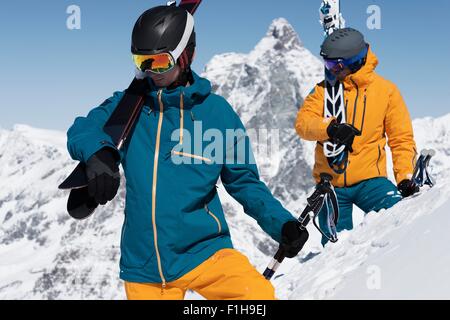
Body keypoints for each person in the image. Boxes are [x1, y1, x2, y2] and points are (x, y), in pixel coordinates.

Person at [67, 4, 308, 300]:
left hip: (206, 254)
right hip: (144, 266)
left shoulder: (216, 114)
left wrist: (280, 223)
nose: (149, 72)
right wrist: (98, 153)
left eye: (159, 62)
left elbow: (244, 182)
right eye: (141, 61)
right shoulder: (129, 107)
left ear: (186, 55)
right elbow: (82, 129)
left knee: (258, 298)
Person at [295, 28, 418, 245]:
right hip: (330, 185)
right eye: (327, 65)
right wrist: (330, 128)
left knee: (402, 221)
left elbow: (401, 139)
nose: (329, 70)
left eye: (334, 65)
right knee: (335, 252)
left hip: (371, 181)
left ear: (353, 62)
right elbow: (303, 124)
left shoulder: (386, 92)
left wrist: (405, 177)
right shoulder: (323, 91)